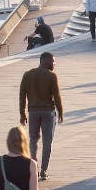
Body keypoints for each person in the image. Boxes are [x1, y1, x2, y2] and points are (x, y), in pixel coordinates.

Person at [18, 50, 64, 181]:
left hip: (32, 112)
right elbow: (57, 96)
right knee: (47, 141)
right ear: (45, 61)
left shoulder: (27, 75)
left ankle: (34, 168)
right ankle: (43, 170)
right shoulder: (51, 76)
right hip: (48, 112)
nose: (54, 64)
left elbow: (22, 96)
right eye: (53, 61)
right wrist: (60, 112)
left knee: (33, 140)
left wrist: (22, 113)